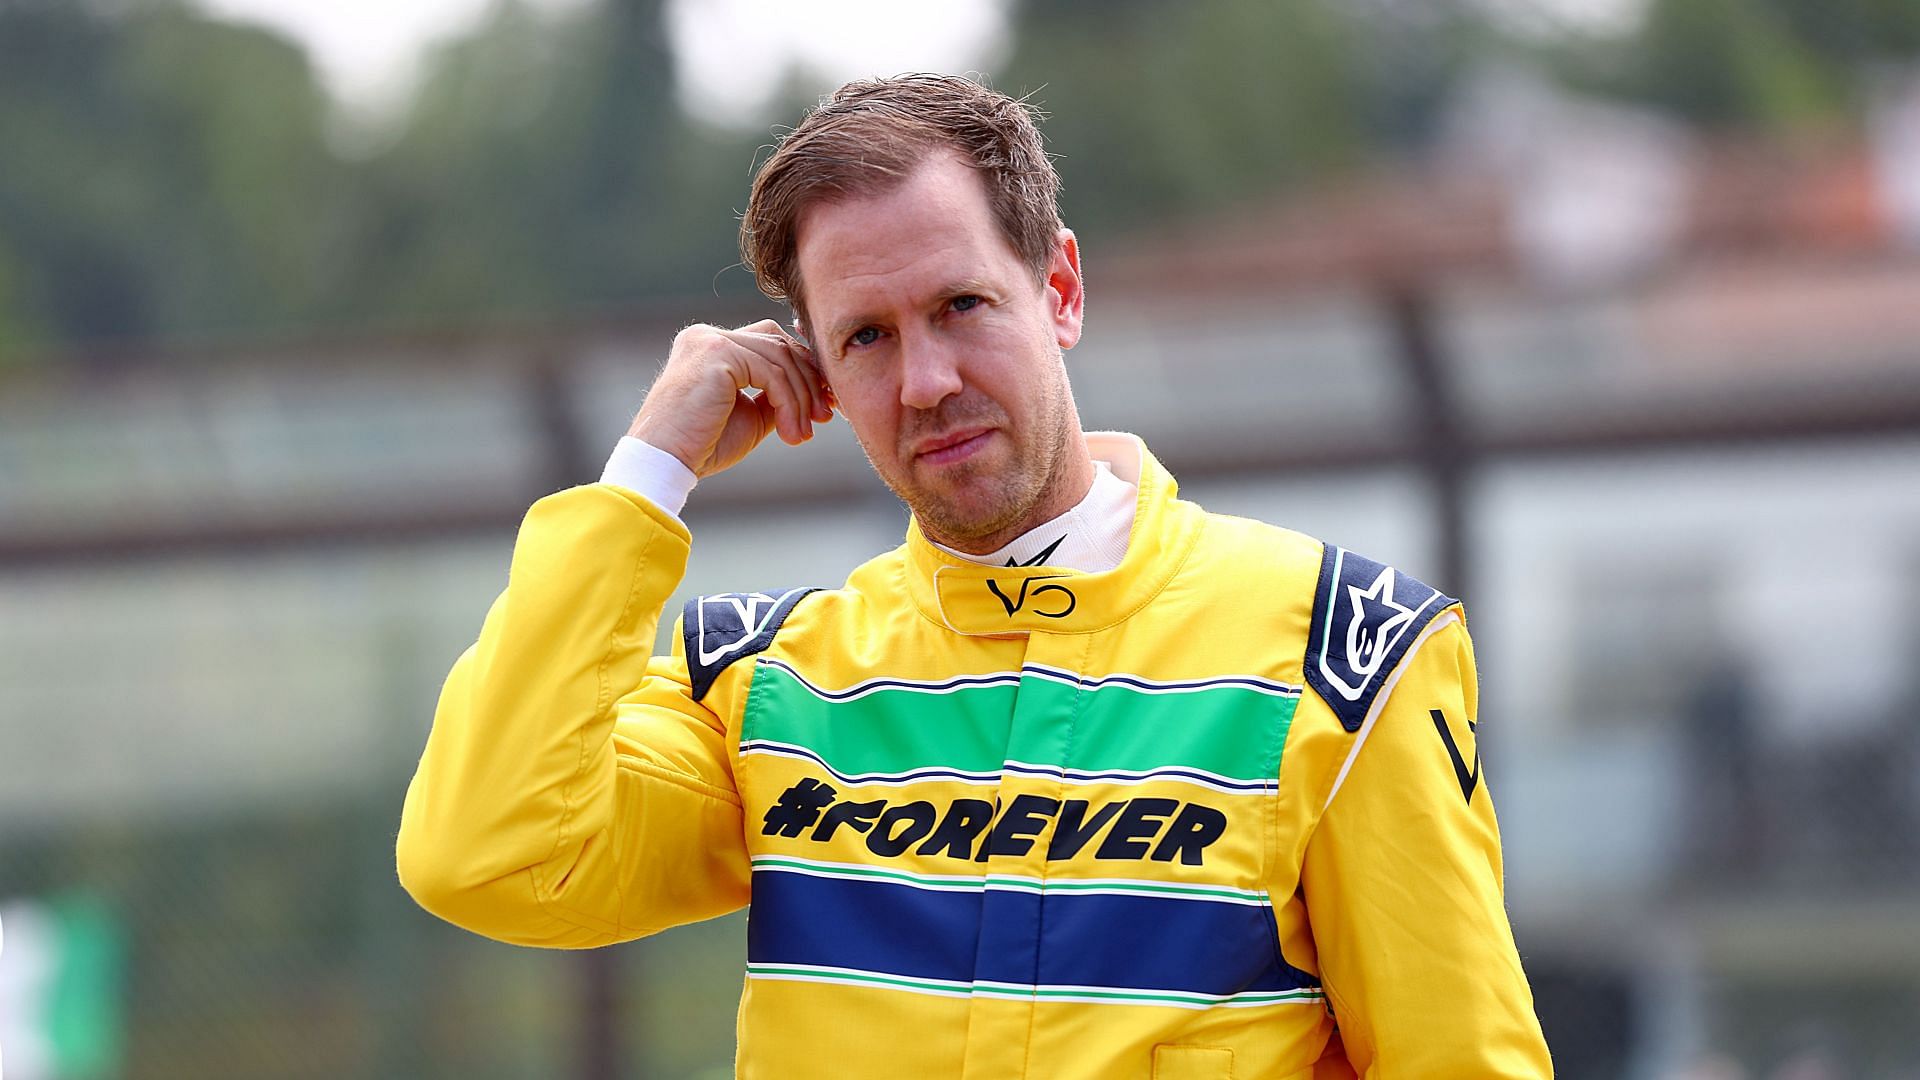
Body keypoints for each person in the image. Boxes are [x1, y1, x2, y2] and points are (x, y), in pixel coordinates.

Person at [396, 74, 1552, 1078]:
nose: (926, 381)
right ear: (817, 375)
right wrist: (648, 474)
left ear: (1060, 290)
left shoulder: (1342, 655)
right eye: (867, 338)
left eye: (961, 306)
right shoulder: (758, 685)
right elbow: (486, 854)